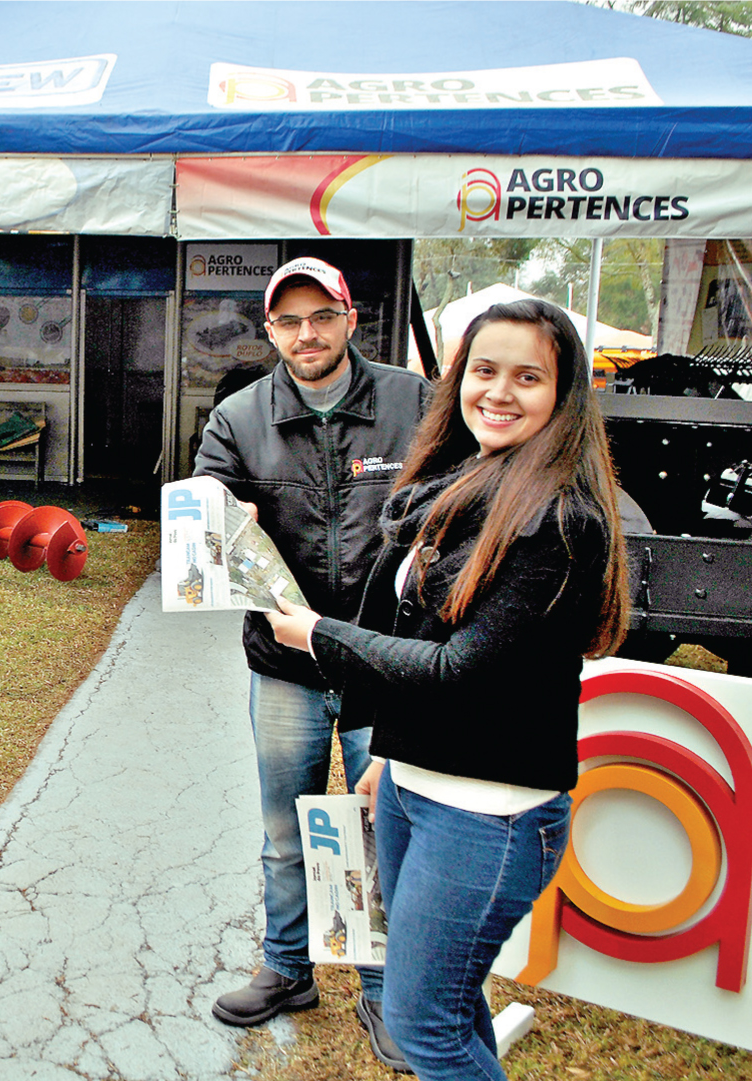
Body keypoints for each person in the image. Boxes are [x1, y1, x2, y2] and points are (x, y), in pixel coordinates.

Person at [265, 299, 630, 1080]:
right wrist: (387, 757)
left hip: (487, 819)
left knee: (421, 1025)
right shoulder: (465, 479)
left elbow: (458, 669)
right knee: (455, 1006)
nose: (498, 392)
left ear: (562, 394)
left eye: (528, 376)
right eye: (484, 370)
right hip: (409, 788)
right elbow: (423, 633)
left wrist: (317, 634)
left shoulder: (562, 520)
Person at [195, 257, 431, 1070]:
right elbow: (203, 517)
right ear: (270, 331)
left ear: (350, 316)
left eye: (320, 316)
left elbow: (456, 504)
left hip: (383, 661)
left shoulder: (415, 404)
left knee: (380, 829)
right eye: (288, 321)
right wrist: (221, 526)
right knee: (284, 827)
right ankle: (288, 967)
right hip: (287, 661)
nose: (307, 335)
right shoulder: (237, 416)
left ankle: (383, 991)